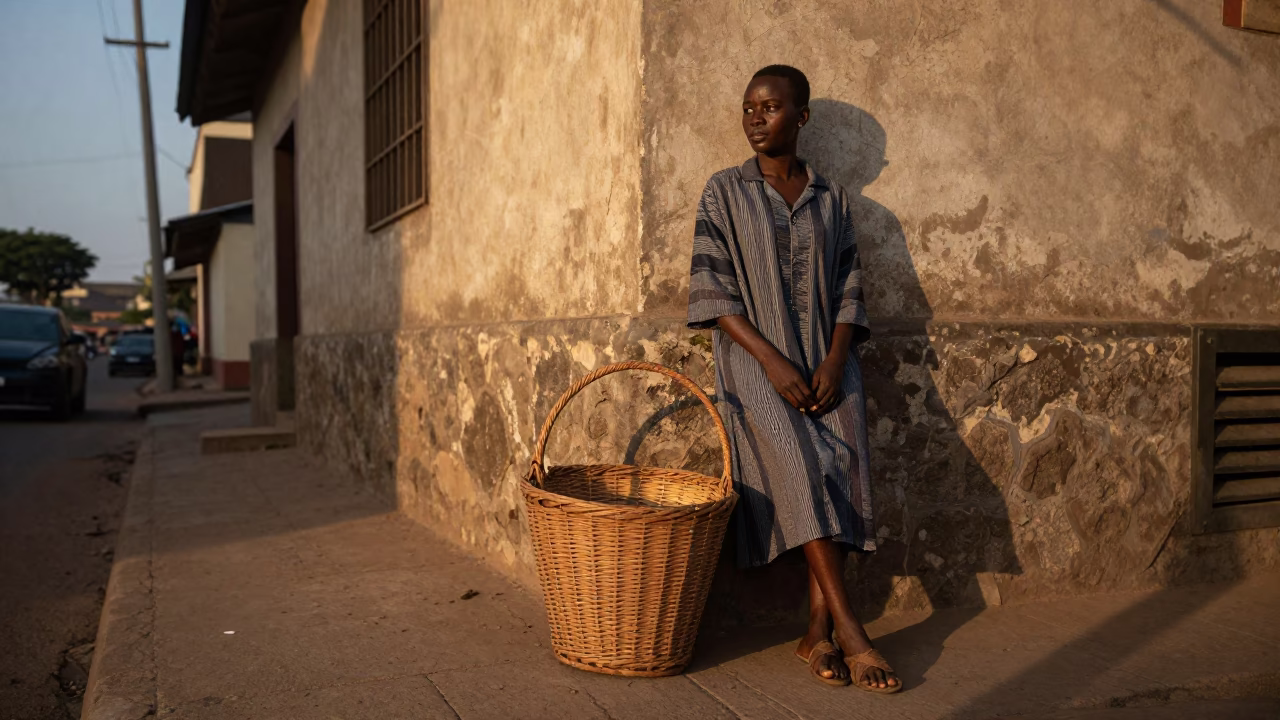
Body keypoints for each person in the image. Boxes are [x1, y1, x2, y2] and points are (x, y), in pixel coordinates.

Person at [686, 65, 900, 693]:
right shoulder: (722, 192)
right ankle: (853, 632)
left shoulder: (831, 198)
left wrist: (835, 362)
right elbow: (712, 291)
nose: (756, 118)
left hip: (829, 362)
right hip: (754, 363)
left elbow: (850, 288)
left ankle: (817, 633)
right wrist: (774, 363)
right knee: (799, 467)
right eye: (749, 107)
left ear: (800, 118)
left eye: (771, 107)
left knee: (839, 467)